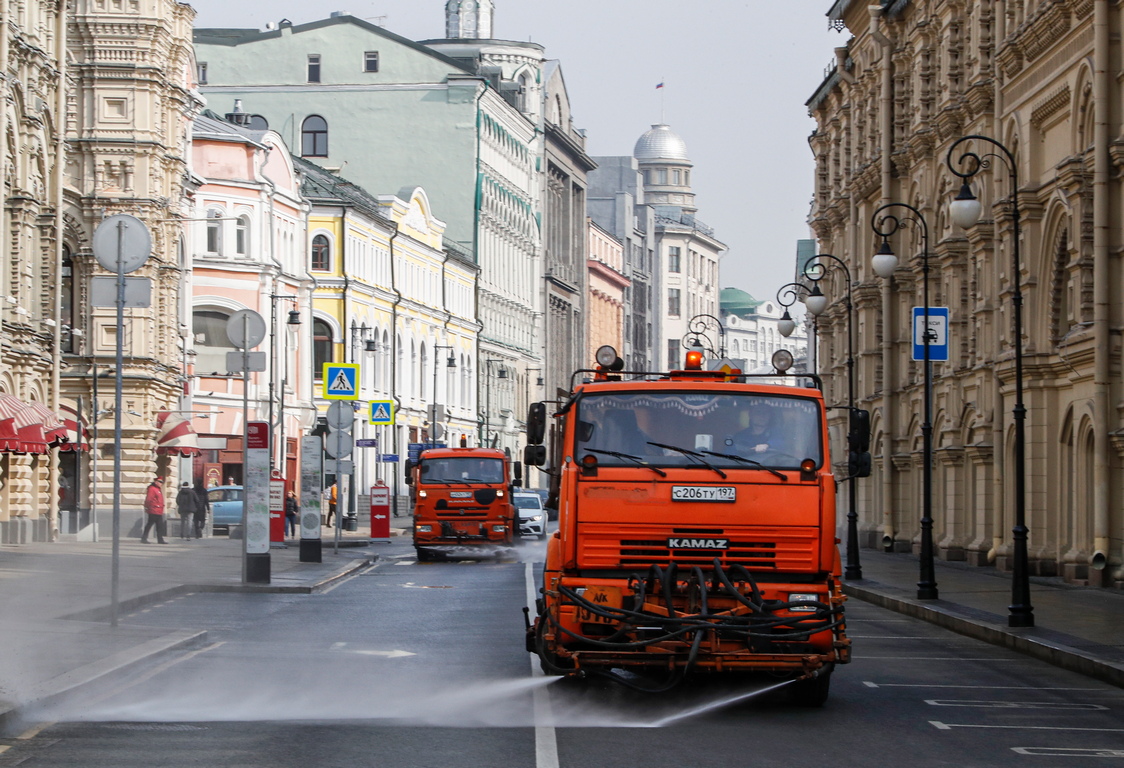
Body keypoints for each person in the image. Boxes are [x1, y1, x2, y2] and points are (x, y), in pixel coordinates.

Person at [141, 476, 167, 544]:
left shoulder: (158, 489)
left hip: (159, 510)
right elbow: (149, 499)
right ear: (156, 482)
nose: (161, 483)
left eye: (162, 482)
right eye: (160, 482)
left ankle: (160, 539)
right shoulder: (152, 489)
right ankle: (144, 538)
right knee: (150, 524)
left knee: (159, 526)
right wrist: (147, 507)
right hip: (154, 509)